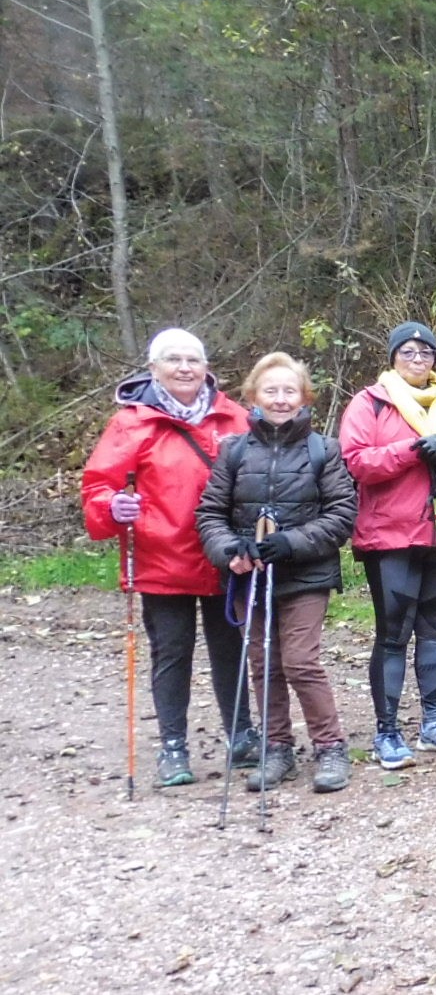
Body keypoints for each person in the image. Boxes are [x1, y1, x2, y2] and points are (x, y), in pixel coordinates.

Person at [83, 328, 257, 787]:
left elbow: (261, 475)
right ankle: (173, 748)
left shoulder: (233, 418)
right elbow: (99, 486)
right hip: (160, 557)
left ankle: (241, 735)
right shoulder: (132, 423)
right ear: (154, 368)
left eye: (193, 360)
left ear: (206, 368)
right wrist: (111, 509)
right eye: (173, 360)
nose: (185, 368)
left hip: (223, 556)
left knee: (230, 648)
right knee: (172, 652)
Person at [195, 353, 359, 792]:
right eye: (271, 390)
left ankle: (330, 747)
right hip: (250, 576)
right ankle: (277, 748)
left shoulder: (323, 449)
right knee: (263, 662)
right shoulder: (233, 451)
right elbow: (210, 513)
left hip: (306, 574)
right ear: (253, 396)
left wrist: (292, 542)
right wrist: (232, 548)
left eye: (290, 391)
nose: (281, 399)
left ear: (304, 396)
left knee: (301, 661)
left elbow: (342, 513)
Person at [340, 323, 436, 769]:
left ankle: (434, 721)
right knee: (394, 632)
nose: (417, 359)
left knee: (434, 629)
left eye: (425, 353)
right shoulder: (370, 402)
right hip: (391, 535)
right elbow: (357, 462)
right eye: (407, 352)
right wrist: (414, 449)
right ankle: (387, 731)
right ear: (393, 357)